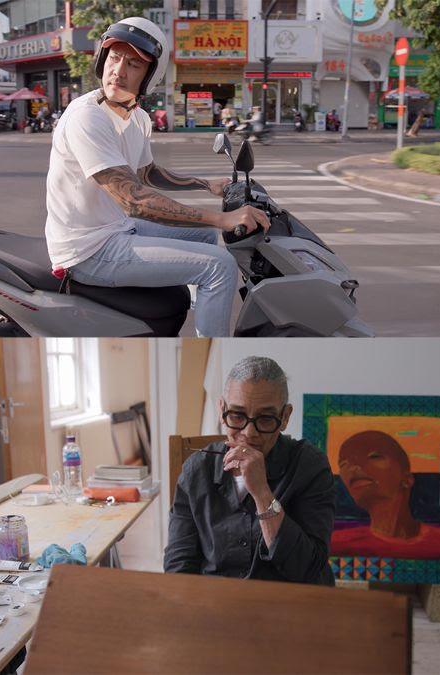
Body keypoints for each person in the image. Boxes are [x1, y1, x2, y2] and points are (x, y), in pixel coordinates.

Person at [44, 17, 269, 337]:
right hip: (88, 250)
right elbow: (133, 200)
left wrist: (206, 184)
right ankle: (214, 359)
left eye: (134, 64)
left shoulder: (136, 117)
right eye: (114, 57)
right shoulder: (86, 117)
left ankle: (198, 305)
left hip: (114, 229)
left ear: (151, 75)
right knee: (219, 265)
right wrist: (223, 219)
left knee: (205, 237)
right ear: (101, 59)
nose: (119, 70)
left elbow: (148, 172)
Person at [165, 357, 336, 585]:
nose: (249, 432)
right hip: (217, 602)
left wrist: (262, 493)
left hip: (287, 604)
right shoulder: (197, 469)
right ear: (222, 410)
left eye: (265, 419)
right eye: (237, 416)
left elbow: (309, 569)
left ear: (285, 417)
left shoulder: (310, 466)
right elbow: (179, 566)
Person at [332, 431, 440, 563]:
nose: (353, 467)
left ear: (407, 479)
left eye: (374, 456)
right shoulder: (336, 545)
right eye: (344, 464)